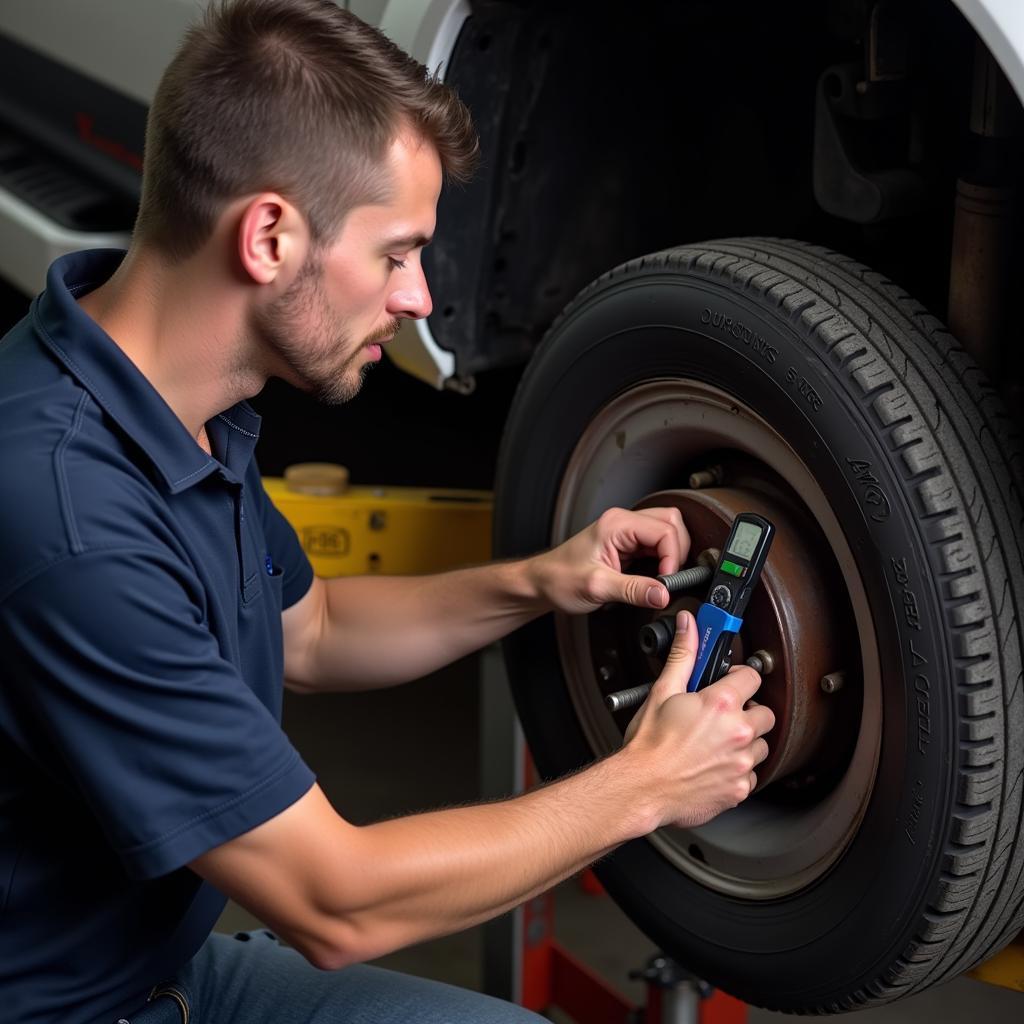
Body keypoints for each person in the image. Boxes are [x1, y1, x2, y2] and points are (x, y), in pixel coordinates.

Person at [0, 2, 775, 1022]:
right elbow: (337, 903)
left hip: (163, 970)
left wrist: (541, 580)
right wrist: (647, 782)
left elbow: (310, 629)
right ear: (269, 235)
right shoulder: (70, 516)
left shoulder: (168, 397)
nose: (418, 298)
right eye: (398, 252)